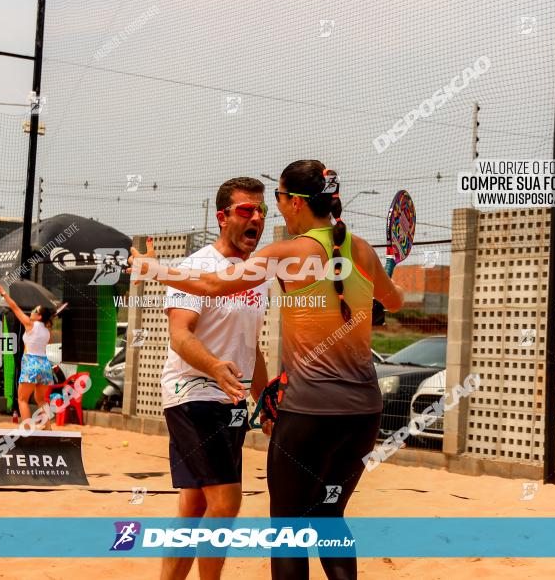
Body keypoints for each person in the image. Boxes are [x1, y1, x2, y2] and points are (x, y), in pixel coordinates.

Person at [130, 160, 404, 580]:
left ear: (294, 203)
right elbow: (397, 301)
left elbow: (212, 286)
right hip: (363, 412)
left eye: (273, 201)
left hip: (309, 409)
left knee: (286, 526)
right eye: (251, 209)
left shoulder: (282, 255)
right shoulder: (363, 250)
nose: (265, 213)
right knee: (326, 516)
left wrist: (152, 268)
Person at [159, 177, 271, 580]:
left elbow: (250, 346)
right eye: (246, 210)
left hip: (232, 400)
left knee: (193, 508)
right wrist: (214, 367)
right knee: (226, 503)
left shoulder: (256, 276)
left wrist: (267, 398)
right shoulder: (194, 268)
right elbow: (180, 335)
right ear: (223, 217)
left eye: (261, 211)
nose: (256, 217)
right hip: (192, 393)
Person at [0, 285, 56, 428]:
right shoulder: (47, 331)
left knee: (22, 400)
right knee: (41, 400)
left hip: (31, 363)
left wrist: (3, 293)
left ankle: (26, 430)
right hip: (44, 365)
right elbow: (47, 341)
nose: (32, 311)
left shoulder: (30, 324)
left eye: (35, 310)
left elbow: (14, 307)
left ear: (39, 316)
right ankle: (48, 428)